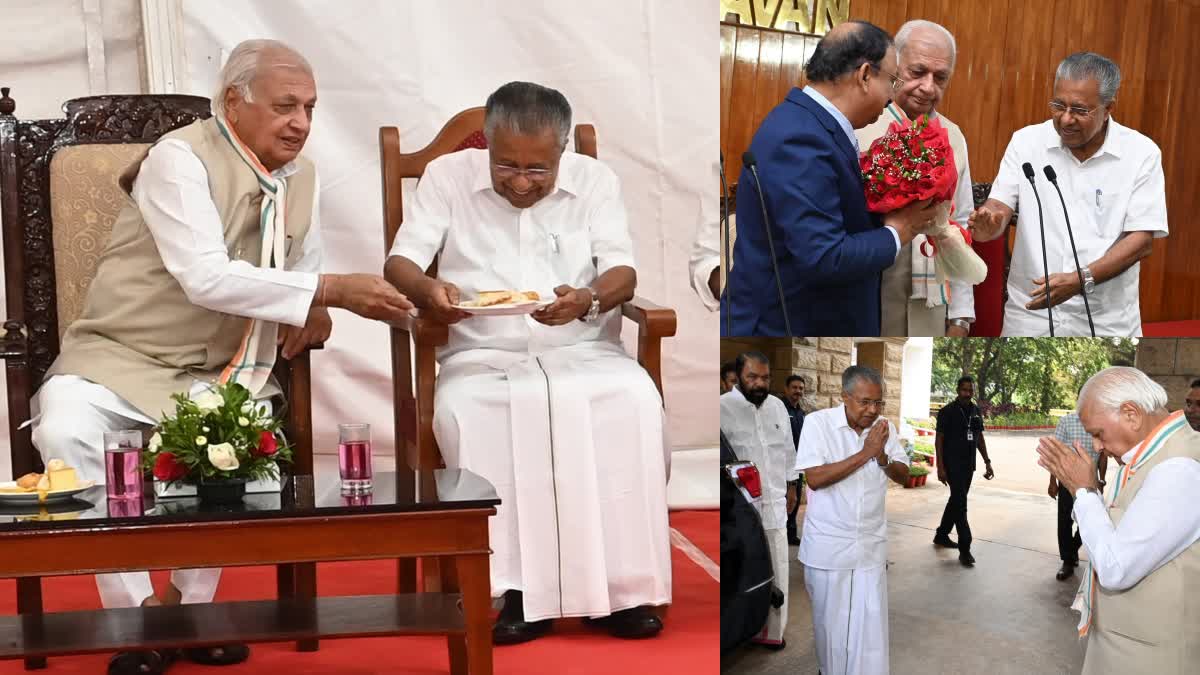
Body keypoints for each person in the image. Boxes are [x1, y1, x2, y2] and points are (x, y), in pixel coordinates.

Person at [29, 39, 412, 675]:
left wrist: (312, 301)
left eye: (311, 109)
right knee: (65, 430)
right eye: (286, 106)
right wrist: (330, 291)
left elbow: (301, 258)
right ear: (234, 102)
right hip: (120, 356)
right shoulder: (178, 160)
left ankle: (184, 610)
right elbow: (204, 278)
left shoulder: (303, 177)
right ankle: (136, 620)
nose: (302, 124)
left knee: (250, 451)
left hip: (225, 366)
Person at [384, 81, 669, 644]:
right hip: (481, 351)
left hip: (580, 347)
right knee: (479, 410)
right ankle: (518, 593)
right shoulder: (447, 177)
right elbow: (401, 262)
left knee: (631, 400)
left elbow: (622, 272)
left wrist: (588, 298)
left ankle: (621, 593)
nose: (519, 181)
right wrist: (430, 289)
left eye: (537, 171)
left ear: (563, 151)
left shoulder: (596, 181)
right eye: (505, 165)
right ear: (484, 143)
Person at [721, 20, 943, 336]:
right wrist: (897, 232)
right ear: (865, 75)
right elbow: (824, 256)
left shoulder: (812, 124)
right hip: (782, 326)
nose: (891, 98)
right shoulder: (799, 137)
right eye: (892, 81)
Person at [970, 52, 1168, 336]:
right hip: (1030, 313)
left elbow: (1141, 241)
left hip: (1106, 320)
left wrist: (1080, 280)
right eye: (1058, 105)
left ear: (1108, 107)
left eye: (1079, 110)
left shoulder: (1141, 153)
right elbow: (999, 205)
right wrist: (991, 222)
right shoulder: (1026, 142)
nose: (1065, 119)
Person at [1037, 367, 1200, 674]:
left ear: (1131, 414)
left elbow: (1115, 567)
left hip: (1148, 659)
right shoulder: (1152, 456)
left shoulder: (1178, 469)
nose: (1097, 446)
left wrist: (1084, 491)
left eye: (1098, 434)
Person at [854, 19, 976, 337]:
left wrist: (961, 317)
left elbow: (958, 227)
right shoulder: (859, 127)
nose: (928, 87)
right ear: (894, 65)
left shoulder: (954, 137)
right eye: (917, 72)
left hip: (932, 300)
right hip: (870, 288)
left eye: (940, 77)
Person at [795, 365, 910, 674]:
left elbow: (904, 473)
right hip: (828, 549)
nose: (873, 410)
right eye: (865, 402)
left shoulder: (884, 428)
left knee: (870, 629)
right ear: (844, 397)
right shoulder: (817, 424)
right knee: (831, 630)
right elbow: (815, 478)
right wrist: (866, 452)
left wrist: (883, 456)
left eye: (878, 403)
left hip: (870, 547)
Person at [720, 352, 798, 650]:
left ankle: (774, 632)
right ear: (739, 376)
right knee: (746, 570)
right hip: (740, 511)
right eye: (752, 377)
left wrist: (792, 486)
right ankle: (744, 629)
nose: (759, 383)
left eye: (765, 377)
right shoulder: (722, 408)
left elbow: (789, 451)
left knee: (779, 564)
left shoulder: (777, 407)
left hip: (776, 502)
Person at [934, 375, 993, 566]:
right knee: (961, 504)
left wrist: (987, 461)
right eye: (964, 390)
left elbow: (979, 438)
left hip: (969, 465)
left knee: (956, 500)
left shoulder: (975, 411)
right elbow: (939, 440)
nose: (967, 393)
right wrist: (940, 467)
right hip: (952, 465)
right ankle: (965, 549)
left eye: (970, 390)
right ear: (958, 390)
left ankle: (942, 534)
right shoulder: (947, 412)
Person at [1048, 411, 1107, 580]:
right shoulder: (1066, 421)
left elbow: (1103, 456)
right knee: (1065, 520)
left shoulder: (1100, 423)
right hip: (1067, 480)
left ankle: (1071, 550)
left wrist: (1101, 481)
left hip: (1090, 482)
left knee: (1088, 520)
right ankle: (1067, 561)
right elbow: (1055, 452)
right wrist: (1053, 481)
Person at [781, 375, 807, 546]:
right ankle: (781, 534)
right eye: (794, 387)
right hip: (781, 464)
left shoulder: (801, 413)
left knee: (795, 500)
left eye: (801, 388)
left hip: (798, 465)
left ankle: (791, 534)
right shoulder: (780, 409)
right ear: (786, 389)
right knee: (783, 501)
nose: (798, 391)